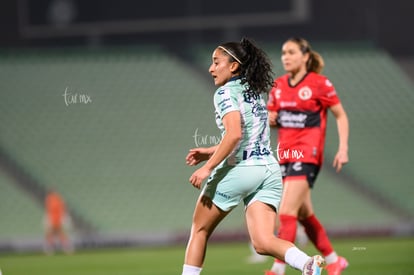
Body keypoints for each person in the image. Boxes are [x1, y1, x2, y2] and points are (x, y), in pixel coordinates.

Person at [181, 37, 324, 275]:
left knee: (199, 230)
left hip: (242, 168)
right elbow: (247, 136)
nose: (211, 68)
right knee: (263, 242)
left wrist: (208, 168)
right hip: (268, 169)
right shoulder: (255, 91)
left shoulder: (225, 93)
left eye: (216, 62)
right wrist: (209, 152)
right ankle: (307, 264)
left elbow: (234, 135)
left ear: (234, 66)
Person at [264, 37, 349, 275]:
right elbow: (273, 119)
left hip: (308, 154)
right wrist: (272, 120)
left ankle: (277, 270)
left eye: (291, 52)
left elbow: (340, 115)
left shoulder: (319, 84)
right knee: (304, 215)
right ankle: (334, 260)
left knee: (286, 212)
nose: (286, 57)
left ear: (306, 57)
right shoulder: (278, 85)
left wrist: (343, 149)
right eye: (283, 53)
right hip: (285, 155)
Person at [44, 188, 73, 254]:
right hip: (54, 218)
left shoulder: (54, 198)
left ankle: (64, 247)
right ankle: (65, 247)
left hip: (56, 218)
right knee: (55, 233)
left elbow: (60, 208)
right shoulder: (52, 198)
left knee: (55, 233)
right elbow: (53, 209)